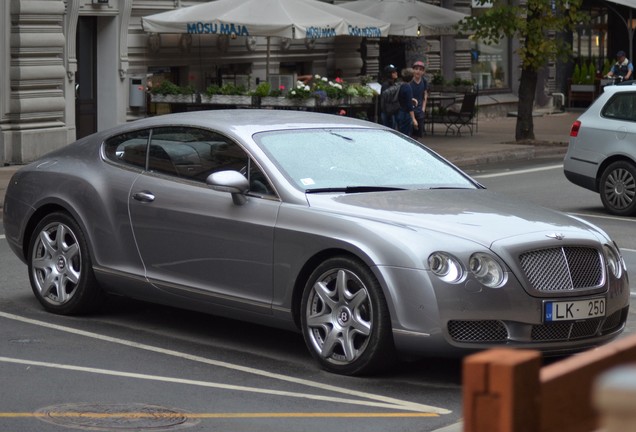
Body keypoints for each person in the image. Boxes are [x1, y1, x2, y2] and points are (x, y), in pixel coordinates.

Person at [395, 68, 418, 136]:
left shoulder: (400, 85)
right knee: (405, 134)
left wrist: (411, 99)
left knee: (401, 132)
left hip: (399, 111)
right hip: (405, 114)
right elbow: (409, 105)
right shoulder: (408, 87)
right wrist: (413, 119)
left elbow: (402, 98)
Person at [410, 60, 429, 138]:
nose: (418, 71)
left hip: (419, 111)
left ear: (423, 72)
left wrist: (423, 109)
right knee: (410, 134)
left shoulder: (424, 82)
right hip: (411, 111)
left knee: (417, 134)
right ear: (413, 70)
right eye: (416, 69)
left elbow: (425, 95)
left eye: (421, 69)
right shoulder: (409, 82)